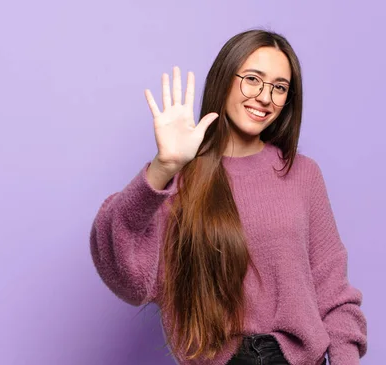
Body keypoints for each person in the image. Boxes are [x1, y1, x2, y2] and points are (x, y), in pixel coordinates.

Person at [90, 29, 367, 365]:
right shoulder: (182, 179)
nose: (265, 97)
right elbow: (125, 268)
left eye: (279, 87)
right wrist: (163, 167)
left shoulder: (303, 175)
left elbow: (334, 291)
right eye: (253, 79)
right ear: (224, 79)